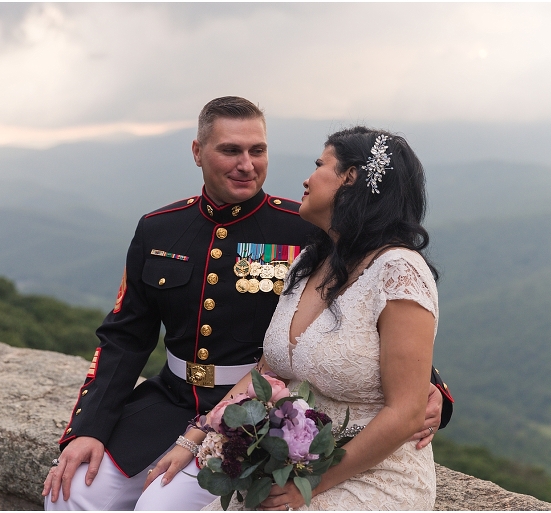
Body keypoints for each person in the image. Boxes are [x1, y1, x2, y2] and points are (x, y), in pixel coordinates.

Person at [42, 98, 452, 511]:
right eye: (230, 150)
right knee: (71, 493)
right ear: (198, 152)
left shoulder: (307, 228)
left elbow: (370, 312)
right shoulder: (159, 229)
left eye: (258, 151)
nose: (247, 164)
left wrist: (430, 387)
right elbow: (124, 338)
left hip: (264, 417)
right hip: (170, 404)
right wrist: (88, 427)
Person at [150, 126, 441, 510]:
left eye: (321, 164)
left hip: (373, 475)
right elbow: (267, 372)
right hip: (293, 466)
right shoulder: (308, 262)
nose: (307, 177)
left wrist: (309, 484)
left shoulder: (400, 271)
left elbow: (405, 414)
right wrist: (198, 436)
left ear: (350, 178)